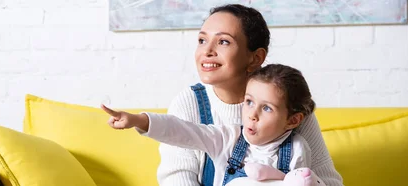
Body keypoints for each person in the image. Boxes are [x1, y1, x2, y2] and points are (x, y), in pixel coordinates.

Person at [122, 3, 343, 186]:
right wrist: (140, 120)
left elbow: (328, 181)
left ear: (255, 58)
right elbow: (177, 178)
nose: (207, 51)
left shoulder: (288, 104)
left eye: (223, 41)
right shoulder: (190, 103)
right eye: (202, 40)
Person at [101, 64, 324, 185]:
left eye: (266, 108)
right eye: (249, 102)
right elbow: (183, 131)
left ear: (293, 120)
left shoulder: (298, 148)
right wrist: (140, 120)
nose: (252, 115)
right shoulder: (227, 138)